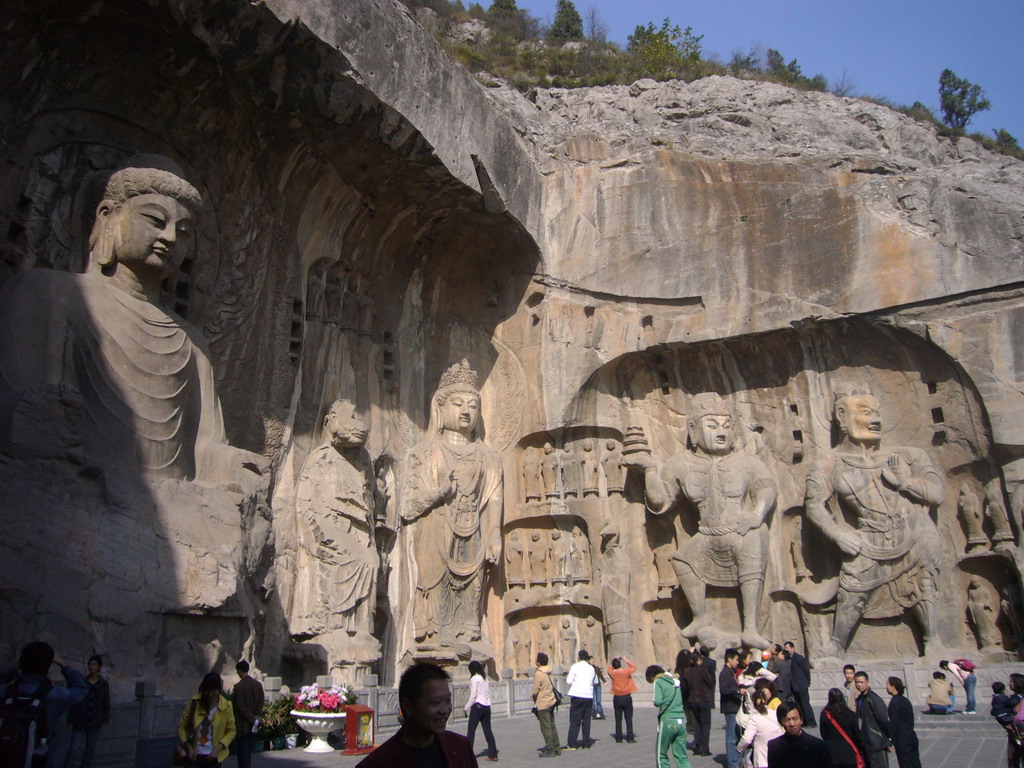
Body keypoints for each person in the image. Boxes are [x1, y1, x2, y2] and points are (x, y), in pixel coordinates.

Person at [622, 394, 777, 647]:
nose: (721, 432)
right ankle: (700, 617)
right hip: (708, 533)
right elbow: (661, 502)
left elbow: (766, 488)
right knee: (683, 560)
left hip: (742, 530)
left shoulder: (747, 462)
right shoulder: (682, 464)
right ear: (693, 430)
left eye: (727, 426)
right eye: (712, 426)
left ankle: (750, 627)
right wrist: (650, 470)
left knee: (754, 543)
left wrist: (757, 514)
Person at [805, 386, 943, 658]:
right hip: (869, 534)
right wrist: (837, 533)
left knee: (924, 583)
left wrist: (906, 482)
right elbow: (813, 505)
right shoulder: (830, 461)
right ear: (842, 417)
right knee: (852, 590)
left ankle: (932, 640)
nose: (875, 420)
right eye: (866, 413)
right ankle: (838, 644)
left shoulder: (909, 455)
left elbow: (937, 494)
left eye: (877, 413)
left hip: (913, 529)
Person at [400, 360, 503, 648]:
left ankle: (468, 637)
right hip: (434, 528)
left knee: (472, 592)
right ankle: (432, 637)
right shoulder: (423, 453)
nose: (466, 411)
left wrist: (495, 534)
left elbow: (494, 497)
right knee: (436, 584)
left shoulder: (489, 457)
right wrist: (438, 493)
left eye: (473, 405)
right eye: (458, 404)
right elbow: (407, 506)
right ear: (441, 408)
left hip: (473, 527)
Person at [357, 663, 477, 768]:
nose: (445, 710)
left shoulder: (460, 747)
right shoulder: (378, 763)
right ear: (408, 706)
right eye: (435, 702)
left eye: (448, 700)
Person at [0, 642, 87, 768]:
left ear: (22, 662)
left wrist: (15, 666)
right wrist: (62, 663)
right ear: (49, 664)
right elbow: (81, 689)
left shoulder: (5, 692)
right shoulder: (54, 695)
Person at [176, 673, 235, 767]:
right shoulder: (194, 703)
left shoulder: (226, 706)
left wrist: (219, 748)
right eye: (207, 690)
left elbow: (231, 730)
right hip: (193, 756)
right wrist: (187, 746)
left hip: (213, 757)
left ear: (219, 689)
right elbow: (181, 727)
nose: (210, 694)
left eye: (213, 690)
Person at [63, 655, 110, 768]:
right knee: (73, 749)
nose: (91, 667)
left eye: (94, 664)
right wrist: (70, 720)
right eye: (90, 664)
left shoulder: (103, 684)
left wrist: (105, 720)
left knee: (90, 750)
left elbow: (106, 702)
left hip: (95, 721)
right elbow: (74, 702)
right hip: (80, 720)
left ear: (99, 667)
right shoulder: (82, 682)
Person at [647, 665, 690, 768]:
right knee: (682, 756)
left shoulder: (658, 681)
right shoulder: (675, 680)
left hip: (668, 720)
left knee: (661, 755)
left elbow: (657, 701)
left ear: (652, 677)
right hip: (681, 720)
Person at [765, 701, 832, 767]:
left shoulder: (818, 745)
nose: (792, 724)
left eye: (795, 719)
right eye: (787, 720)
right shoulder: (774, 746)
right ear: (780, 722)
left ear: (801, 719)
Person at [853, 671, 891, 768]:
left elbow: (883, 720)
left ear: (867, 682)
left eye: (861, 682)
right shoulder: (860, 699)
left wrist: (887, 737)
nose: (859, 685)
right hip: (865, 742)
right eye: (857, 682)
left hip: (876, 742)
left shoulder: (873, 699)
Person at [737, 690, 784, 768]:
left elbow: (747, 739)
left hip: (763, 759)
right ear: (765, 700)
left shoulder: (754, 718)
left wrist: (739, 748)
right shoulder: (776, 713)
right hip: (779, 756)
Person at [819, 687, 864, 767]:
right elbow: (857, 735)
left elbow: (824, 734)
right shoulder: (852, 715)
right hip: (849, 755)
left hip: (831, 755)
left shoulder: (824, 714)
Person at [231, 661, 263, 768]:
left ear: (240, 671)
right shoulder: (258, 685)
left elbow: (240, 707)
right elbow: (260, 702)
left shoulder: (239, 687)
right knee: (248, 748)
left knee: (243, 751)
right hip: (253, 723)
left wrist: (251, 718)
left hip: (242, 724)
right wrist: (255, 717)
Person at [681, 649, 714, 756]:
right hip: (703, 699)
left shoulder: (686, 671)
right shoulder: (702, 670)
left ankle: (697, 746)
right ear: (699, 660)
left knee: (697, 724)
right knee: (705, 724)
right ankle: (705, 748)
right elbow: (710, 683)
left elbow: (685, 687)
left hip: (692, 700)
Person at [464, 660, 497, 761]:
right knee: (488, 731)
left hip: (477, 707)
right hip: (487, 706)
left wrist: (466, 707)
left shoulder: (475, 678)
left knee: (471, 731)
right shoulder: (484, 678)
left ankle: (468, 755)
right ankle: (493, 755)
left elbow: (473, 695)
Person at [886, 677, 921, 768]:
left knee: (905, 764)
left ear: (893, 687)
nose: (886, 687)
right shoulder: (905, 700)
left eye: (888, 685)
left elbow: (894, 723)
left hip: (902, 740)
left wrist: (890, 740)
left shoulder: (894, 703)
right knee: (915, 763)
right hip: (911, 736)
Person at [565, 650, 597, 749]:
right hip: (588, 696)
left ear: (578, 657)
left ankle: (572, 743)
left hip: (577, 695)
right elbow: (595, 681)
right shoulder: (591, 668)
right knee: (586, 720)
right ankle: (586, 743)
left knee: (575, 720)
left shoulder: (575, 666)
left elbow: (568, 681)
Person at [531, 653, 560, 758]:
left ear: (538, 662)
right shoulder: (549, 671)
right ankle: (557, 747)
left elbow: (535, 690)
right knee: (552, 725)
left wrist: (533, 696)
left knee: (545, 727)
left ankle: (550, 749)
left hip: (543, 702)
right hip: (551, 700)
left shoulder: (539, 673)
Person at [784, 641, 815, 727]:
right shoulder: (788, 659)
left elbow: (806, 670)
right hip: (794, 686)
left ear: (792, 648)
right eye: (785, 648)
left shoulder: (798, 657)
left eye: (787, 648)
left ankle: (811, 722)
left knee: (805, 704)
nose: (785, 650)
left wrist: (807, 681)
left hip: (801, 685)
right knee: (799, 705)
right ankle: (804, 722)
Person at [720, 649, 743, 768]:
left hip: (735, 707)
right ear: (729, 659)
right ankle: (732, 763)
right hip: (730, 708)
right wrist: (738, 691)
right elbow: (724, 689)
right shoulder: (724, 673)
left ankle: (736, 759)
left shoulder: (730, 672)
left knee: (736, 735)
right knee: (731, 737)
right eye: (736, 660)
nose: (737, 662)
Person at [607, 656, 637, 744]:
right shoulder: (626, 672)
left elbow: (609, 668)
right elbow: (634, 667)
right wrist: (625, 659)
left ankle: (619, 738)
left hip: (617, 697)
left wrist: (614, 662)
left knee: (618, 718)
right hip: (626, 697)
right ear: (620, 665)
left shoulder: (612, 673)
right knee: (628, 718)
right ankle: (630, 737)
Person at [1000, 674, 1024, 768]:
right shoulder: (1015, 697)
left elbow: (1019, 717)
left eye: (1012, 681)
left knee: (1014, 758)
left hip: (1018, 733)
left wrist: (1012, 722)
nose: (1010, 683)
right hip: (1015, 732)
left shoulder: (1018, 698)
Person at [590, 655, 606, 720]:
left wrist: (604, 681)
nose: (592, 661)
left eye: (593, 660)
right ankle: (593, 713)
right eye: (591, 660)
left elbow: (600, 675)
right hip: (592, 685)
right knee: (593, 701)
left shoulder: (596, 668)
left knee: (598, 700)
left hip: (597, 685)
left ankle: (600, 713)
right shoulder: (588, 668)